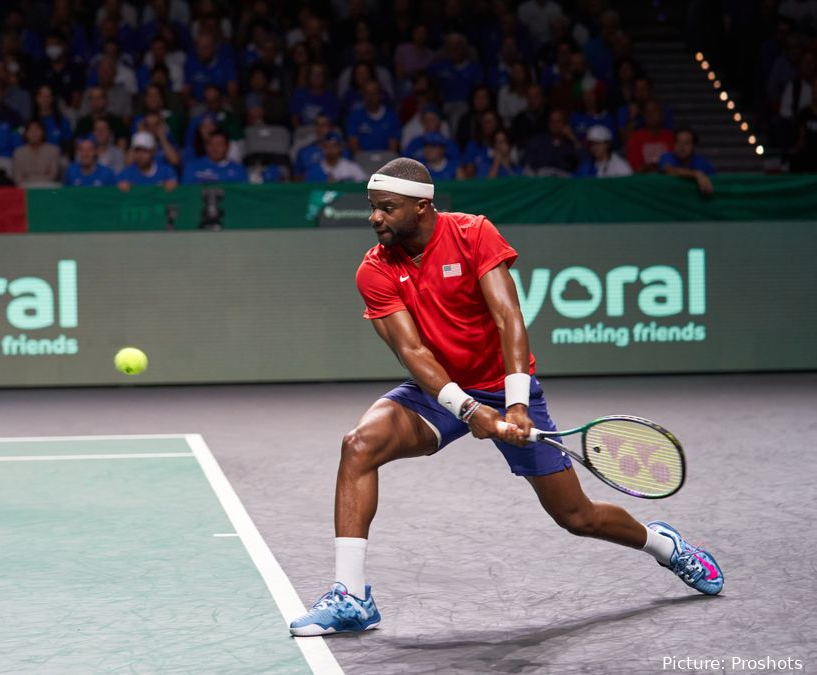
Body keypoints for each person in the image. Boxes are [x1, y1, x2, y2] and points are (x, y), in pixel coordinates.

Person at [287, 157, 725, 637]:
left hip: (504, 382)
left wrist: (514, 402)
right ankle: (351, 597)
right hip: (437, 391)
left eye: (386, 208)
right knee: (358, 446)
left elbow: (508, 318)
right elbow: (412, 350)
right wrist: (470, 409)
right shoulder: (374, 269)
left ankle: (664, 546)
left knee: (577, 517)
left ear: (421, 206)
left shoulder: (474, 233)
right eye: (372, 208)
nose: (374, 219)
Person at [345, 81, 400, 154]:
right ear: (363, 95)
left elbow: (393, 148)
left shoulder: (392, 117)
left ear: (380, 95)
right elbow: (353, 144)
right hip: (361, 161)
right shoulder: (355, 116)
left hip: (386, 161)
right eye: (367, 93)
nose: (370, 96)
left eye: (374, 93)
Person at [660, 128, 715, 194]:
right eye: (678, 142)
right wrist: (696, 174)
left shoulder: (703, 163)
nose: (681, 146)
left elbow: (714, 182)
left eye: (686, 143)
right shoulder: (667, 157)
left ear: (694, 146)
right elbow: (669, 171)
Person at [182, 129, 248, 184]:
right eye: (211, 144)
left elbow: (242, 195)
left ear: (227, 147)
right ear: (206, 146)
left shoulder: (238, 170)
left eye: (219, 144)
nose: (214, 148)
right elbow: (185, 192)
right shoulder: (192, 166)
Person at [626, 101, 674, 173]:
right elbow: (636, 168)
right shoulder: (636, 137)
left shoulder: (671, 136)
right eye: (647, 112)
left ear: (662, 115)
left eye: (654, 111)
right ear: (644, 116)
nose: (650, 114)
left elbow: (675, 165)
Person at [11, 118, 61, 184]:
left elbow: (53, 175)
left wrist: (34, 180)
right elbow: (17, 177)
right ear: (26, 134)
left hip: (47, 186)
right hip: (25, 187)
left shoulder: (54, 150)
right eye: (30, 130)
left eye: (37, 130)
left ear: (43, 132)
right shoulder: (18, 152)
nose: (34, 133)